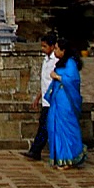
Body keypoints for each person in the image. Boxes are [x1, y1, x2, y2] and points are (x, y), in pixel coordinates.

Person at [45, 36, 88, 169]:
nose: (55, 51)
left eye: (57, 49)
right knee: (55, 127)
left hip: (66, 101)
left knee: (66, 128)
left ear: (63, 51)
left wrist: (57, 77)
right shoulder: (62, 63)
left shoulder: (70, 63)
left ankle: (69, 157)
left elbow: (73, 80)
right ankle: (60, 157)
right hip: (57, 99)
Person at [21, 31, 58, 161]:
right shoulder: (46, 60)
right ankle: (36, 150)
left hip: (53, 100)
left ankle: (36, 150)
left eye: (45, 46)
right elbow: (45, 82)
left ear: (52, 46)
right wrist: (38, 97)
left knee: (45, 125)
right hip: (45, 99)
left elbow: (54, 82)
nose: (42, 49)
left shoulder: (56, 61)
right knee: (44, 125)